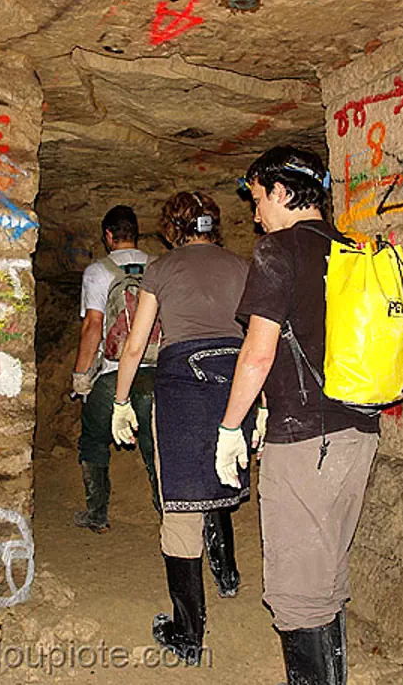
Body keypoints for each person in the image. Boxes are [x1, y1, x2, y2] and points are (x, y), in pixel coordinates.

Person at [214, 147, 379, 685]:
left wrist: (230, 426)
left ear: (283, 194)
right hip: (359, 433)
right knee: (326, 574)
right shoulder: (354, 250)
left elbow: (258, 351)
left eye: (259, 199)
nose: (256, 214)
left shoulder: (277, 250)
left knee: (296, 590)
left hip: (307, 441)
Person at [112, 191, 256, 665]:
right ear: (213, 225)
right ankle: (229, 576)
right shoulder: (239, 266)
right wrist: (267, 403)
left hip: (183, 385)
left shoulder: (161, 269)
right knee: (221, 478)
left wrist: (120, 400)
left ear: (172, 228)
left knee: (181, 504)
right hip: (235, 383)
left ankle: (188, 634)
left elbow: (136, 345)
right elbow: (261, 337)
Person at [71, 205, 160, 533]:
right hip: (155, 371)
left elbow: (93, 326)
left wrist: (81, 375)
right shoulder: (159, 267)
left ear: (108, 235)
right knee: (156, 446)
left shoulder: (97, 271)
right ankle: (168, 513)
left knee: (93, 439)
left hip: (112, 374)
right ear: (136, 233)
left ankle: (97, 513)